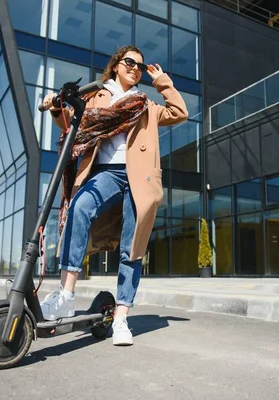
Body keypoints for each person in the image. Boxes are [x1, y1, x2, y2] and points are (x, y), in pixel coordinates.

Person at [39, 45, 188, 346]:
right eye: (130, 62)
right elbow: (71, 124)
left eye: (140, 66)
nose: (135, 68)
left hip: (139, 178)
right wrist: (56, 106)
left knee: (132, 248)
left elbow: (179, 112)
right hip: (106, 173)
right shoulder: (97, 95)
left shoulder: (146, 105)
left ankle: (121, 318)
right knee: (79, 208)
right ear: (116, 64)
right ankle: (66, 294)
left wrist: (162, 82)